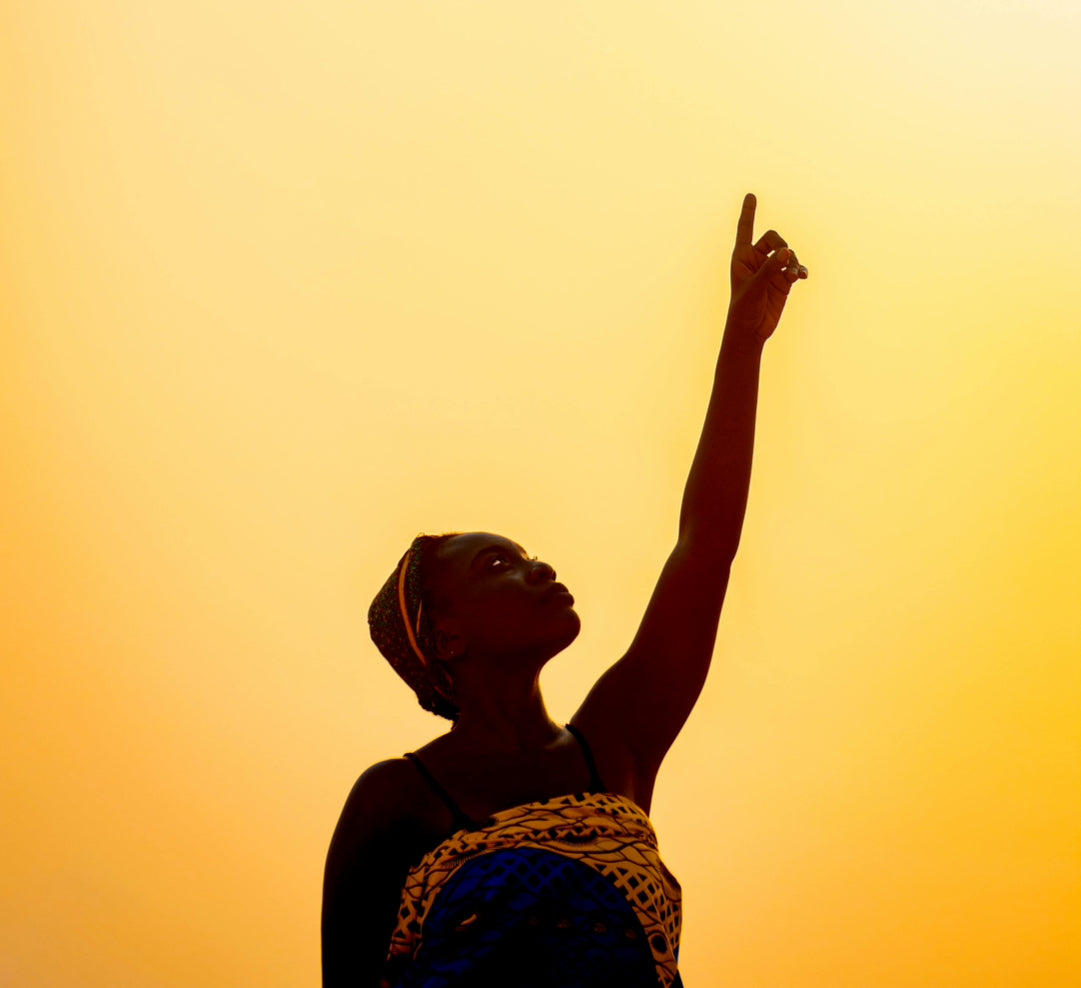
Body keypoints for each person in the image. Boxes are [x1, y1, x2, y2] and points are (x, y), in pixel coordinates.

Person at [322, 193, 808, 987]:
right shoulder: (397, 800)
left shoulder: (611, 749)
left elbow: (704, 547)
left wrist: (742, 341)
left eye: (524, 554)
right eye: (494, 567)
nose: (535, 569)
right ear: (446, 637)